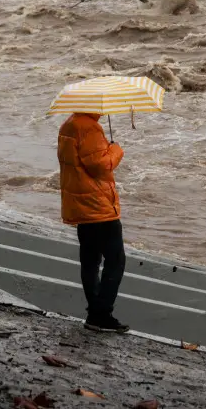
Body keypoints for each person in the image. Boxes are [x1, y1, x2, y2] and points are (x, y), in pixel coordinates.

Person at [57, 111, 129, 333]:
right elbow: (100, 165)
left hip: (80, 204)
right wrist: (115, 150)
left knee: (90, 261)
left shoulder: (68, 125)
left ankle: (95, 314)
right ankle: (101, 314)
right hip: (98, 206)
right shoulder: (89, 128)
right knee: (115, 260)